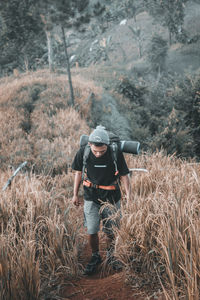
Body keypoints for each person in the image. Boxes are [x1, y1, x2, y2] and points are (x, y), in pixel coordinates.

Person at [71, 125, 131, 275]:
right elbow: (78, 173)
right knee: (91, 230)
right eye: (95, 150)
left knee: (112, 231)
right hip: (91, 196)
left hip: (112, 197)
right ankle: (95, 255)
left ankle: (111, 255)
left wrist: (129, 196)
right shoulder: (83, 151)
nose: (98, 154)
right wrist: (75, 194)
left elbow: (124, 175)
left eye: (102, 151)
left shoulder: (114, 152)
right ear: (90, 144)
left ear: (107, 146)